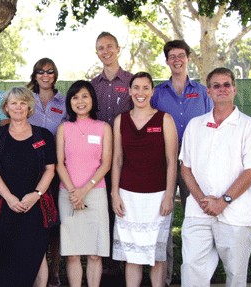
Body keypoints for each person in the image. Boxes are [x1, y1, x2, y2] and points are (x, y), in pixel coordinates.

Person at [179, 67, 251, 287]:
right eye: (216, 85)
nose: (222, 89)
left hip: (236, 213)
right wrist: (202, 200)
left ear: (235, 89)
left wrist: (223, 201)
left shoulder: (249, 126)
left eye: (226, 84)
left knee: (236, 273)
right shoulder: (195, 125)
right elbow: (185, 168)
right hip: (199, 212)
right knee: (191, 267)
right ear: (208, 92)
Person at [150, 39, 214, 286]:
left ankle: (195, 278)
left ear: (188, 58)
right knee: (163, 223)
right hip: (164, 166)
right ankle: (164, 279)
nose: (177, 60)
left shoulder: (202, 91)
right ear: (166, 61)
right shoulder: (157, 93)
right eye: (171, 56)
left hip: (194, 167)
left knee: (196, 223)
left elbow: (211, 127)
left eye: (181, 55)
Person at [0, 87, 58, 287]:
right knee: (6, 254)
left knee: (37, 254)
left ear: (29, 107)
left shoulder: (44, 135)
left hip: (35, 206)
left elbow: (50, 170)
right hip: (6, 205)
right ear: (6, 107)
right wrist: (9, 198)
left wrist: (36, 195)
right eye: (13, 103)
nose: (18, 107)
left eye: (23, 103)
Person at [111, 72, 178, 287]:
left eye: (146, 87)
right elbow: (117, 160)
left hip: (158, 195)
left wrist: (169, 195)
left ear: (152, 91)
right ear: (129, 91)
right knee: (133, 256)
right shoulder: (120, 120)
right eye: (136, 88)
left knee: (157, 255)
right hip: (128, 195)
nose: (141, 93)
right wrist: (114, 193)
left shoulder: (165, 119)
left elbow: (171, 161)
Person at [55, 81, 112, 287]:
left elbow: (106, 164)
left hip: (95, 195)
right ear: (70, 102)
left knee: (95, 254)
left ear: (92, 100)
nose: (80, 101)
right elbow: (59, 164)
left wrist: (84, 191)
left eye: (85, 96)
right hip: (67, 195)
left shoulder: (103, 127)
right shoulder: (64, 128)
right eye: (75, 97)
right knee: (73, 254)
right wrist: (73, 192)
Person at [90, 32, 133, 278]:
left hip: (125, 158)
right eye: (100, 48)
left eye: (109, 47)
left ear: (118, 49)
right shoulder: (92, 85)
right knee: (102, 210)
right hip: (97, 160)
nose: (105, 51)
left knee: (122, 209)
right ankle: (105, 266)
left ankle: (125, 265)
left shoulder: (131, 81)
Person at [26, 57, 66, 287]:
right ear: (35, 75)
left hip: (56, 168)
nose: (45, 75)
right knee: (36, 223)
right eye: (40, 71)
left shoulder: (63, 101)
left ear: (55, 75)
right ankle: (35, 268)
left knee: (55, 225)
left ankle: (54, 271)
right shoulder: (25, 99)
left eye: (50, 71)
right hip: (31, 169)